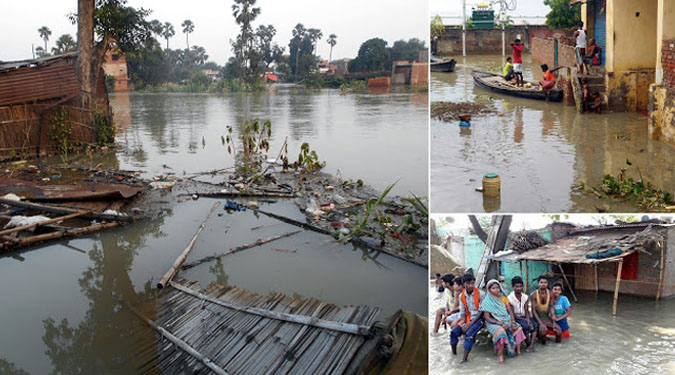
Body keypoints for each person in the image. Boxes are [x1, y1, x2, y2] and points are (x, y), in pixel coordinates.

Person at [481, 279, 527, 363]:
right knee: (501, 332)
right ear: (489, 289)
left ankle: (518, 351)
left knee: (518, 328)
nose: (496, 290)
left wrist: (512, 322)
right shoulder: (486, 301)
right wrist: (498, 323)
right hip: (493, 322)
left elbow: (510, 311)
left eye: (497, 288)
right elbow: (487, 318)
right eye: (493, 288)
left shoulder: (503, 298)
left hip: (506, 319)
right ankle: (500, 355)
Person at [449, 273, 485, 362]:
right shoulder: (462, 296)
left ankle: (464, 360)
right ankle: (454, 355)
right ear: (464, 284)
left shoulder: (481, 294)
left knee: (469, 335)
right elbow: (463, 312)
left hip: (479, 319)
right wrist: (464, 323)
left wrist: (469, 325)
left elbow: (481, 312)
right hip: (468, 318)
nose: (471, 285)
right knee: (453, 332)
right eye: (468, 283)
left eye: (472, 283)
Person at [507, 276, 535, 352]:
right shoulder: (510, 298)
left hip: (523, 316)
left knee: (534, 325)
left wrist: (528, 320)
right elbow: (512, 314)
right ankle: (528, 344)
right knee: (526, 326)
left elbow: (526, 311)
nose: (519, 288)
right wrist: (524, 320)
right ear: (513, 287)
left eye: (520, 286)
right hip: (514, 318)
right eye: (517, 286)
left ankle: (530, 344)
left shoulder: (525, 297)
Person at [529, 275, 552, 344]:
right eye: (541, 282)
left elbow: (552, 308)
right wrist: (541, 323)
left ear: (547, 284)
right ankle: (539, 336)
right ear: (538, 283)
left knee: (559, 332)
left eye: (545, 282)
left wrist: (554, 322)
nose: (543, 284)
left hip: (546, 316)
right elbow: (533, 311)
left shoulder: (550, 293)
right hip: (537, 317)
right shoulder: (533, 295)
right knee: (543, 334)